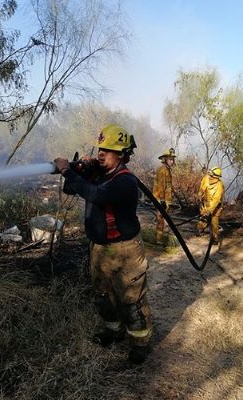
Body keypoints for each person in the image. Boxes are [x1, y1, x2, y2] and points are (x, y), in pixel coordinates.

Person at [52, 123, 153, 364]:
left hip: (125, 250)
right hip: (98, 248)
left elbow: (98, 195)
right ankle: (113, 331)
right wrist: (81, 168)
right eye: (100, 148)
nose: (101, 153)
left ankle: (140, 344)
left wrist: (68, 171)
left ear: (121, 154)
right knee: (102, 296)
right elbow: (70, 189)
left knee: (131, 300)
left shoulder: (126, 181)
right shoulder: (98, 173)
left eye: (107, 149)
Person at [152, 148, 176, 244]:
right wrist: (162, 200)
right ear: (165, 159)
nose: (172, 161)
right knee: (161, 219)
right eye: (170, 159)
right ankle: (159, 240)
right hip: (161, 199)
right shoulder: (163, 170)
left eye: (173, 159)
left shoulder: (167, 169)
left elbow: (168, 185)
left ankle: (161, 237)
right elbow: (161, 186)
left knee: (164, 219)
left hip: (166, 199)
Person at [198, 167, 225, 245]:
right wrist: (200, 194)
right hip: (206, 204)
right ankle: (200, 230)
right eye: (209, 175)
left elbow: (216, 200)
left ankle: (215, 239)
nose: (209, 177)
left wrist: (209, 210)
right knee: (203, 219)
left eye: (211, 176)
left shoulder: (219, 186)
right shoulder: (206, 178)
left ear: (216, 177)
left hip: (216, 207)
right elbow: (202, 188)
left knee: (214, 223)